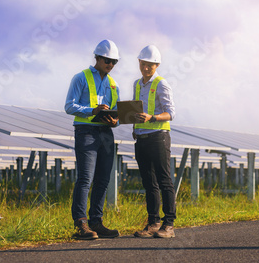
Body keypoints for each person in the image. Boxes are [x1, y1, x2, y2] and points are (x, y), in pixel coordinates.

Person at [65, 39, 121, 240]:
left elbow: (116, 111)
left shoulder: (113, 84)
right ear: (97, 57)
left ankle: (96, 221)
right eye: (107, 60)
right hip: (86, 131)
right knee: (85, 178)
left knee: (103, 179)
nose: (111, 65)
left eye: (114, 61)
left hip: (106, 132)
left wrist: (115, 121)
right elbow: (69, 106)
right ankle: (81, 223)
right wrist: (92, 110)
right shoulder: (80, 78)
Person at [132, 45, 177, 239]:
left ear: (157, 65)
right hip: (141, 138)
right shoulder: (137, 84)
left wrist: (152, 118)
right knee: (149, 182)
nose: (146, 68)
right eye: (143, 64)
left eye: (150, 65)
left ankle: (169, 224)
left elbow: (171, 113)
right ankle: (153, 223)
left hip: (158, 137)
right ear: (139, 63)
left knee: (164, 180)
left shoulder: (161, 84)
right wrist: (135, 127)